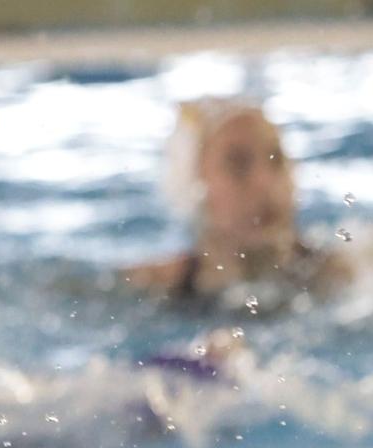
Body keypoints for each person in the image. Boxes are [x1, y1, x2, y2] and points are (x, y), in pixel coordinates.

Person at [120, 98, 351, 310]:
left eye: (276, 159)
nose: (265, 182)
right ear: (193, 186)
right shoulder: (152, 285)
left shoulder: (345, 274)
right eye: (238, 164)